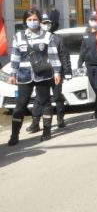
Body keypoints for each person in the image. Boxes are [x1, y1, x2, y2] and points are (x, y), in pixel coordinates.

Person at [7, 9, 62, 145]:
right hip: (24, 76)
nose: (32, 22)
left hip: (42, 75)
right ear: (25, 21)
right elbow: (15, 57)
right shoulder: (19, 36)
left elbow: (53, 55)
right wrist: (12, 74)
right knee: (20, 106)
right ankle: (14, 135)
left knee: (45, 103)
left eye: (35, 19)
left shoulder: (47, 36)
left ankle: (47, 131)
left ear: (39, 21)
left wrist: (56, 72)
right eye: (29, 20)